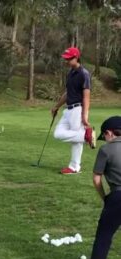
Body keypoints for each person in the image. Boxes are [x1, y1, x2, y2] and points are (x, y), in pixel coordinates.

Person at [76, 116, 121, 259]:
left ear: (109, 133)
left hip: (117, 198)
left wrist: (105, 198)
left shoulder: (106, 150)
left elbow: (96, 179)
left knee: (104, 237)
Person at [51, 47, 96, 175]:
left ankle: (74, 167)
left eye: (69, 59)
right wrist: (56, 106)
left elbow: (86, 96)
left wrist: (85, 116)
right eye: (66, 59)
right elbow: (67, 93)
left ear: (76, 58)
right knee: (58, 133)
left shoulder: (84, 74)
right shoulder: (70, 73)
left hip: (77, 109)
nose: (66, 61)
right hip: (68, 110)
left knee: (75, 142)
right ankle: (85, 136)